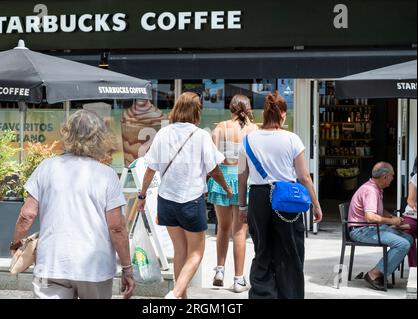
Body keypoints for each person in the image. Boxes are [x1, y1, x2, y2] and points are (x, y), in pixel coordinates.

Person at [10, 110, 134, 299]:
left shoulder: (47, 167)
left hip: (53, 264)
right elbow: (117, 227)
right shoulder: (106, 175)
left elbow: (27, 215)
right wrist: (127, 267)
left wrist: (16, 245)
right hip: (95, 269)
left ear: (66, 133)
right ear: (100, 138)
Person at [136, 92, 232, 299]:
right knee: (196, 253)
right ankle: (175, 293)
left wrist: (142, 196)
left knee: (180, 250)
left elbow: (150, 168)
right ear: (196, 110)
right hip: (191, 201)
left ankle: (182, 298)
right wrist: (226, 188)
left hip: (166, 201)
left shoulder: (163, 133)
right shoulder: (201, 136)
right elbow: (214, 169)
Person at [238, 91, 322, 299]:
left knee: (262, 250)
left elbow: (242, 176)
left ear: (264, 115)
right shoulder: (292, 139)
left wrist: (242, 206)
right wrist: (316, 204)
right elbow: (304, 177)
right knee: (290, 251)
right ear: (283, 114)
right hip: (287, 198)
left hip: (258, 197)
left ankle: (263, 295)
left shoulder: (248, 140)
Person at [208, 94, 258, 292]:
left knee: (222, 228)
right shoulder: (254, 130)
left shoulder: (220, 127)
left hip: (221, 180)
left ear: (231, 108)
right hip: (243, 180)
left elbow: (212, 160)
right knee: (240, 232)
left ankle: (219, 270)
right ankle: (238, 280)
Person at [348, 162, 413, 290]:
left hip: (369, 228)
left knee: (408, 239)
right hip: (361, 230)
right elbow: (370, 217)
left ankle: (381, 273)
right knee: (403, 244)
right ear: (384, 176)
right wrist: (391, 222)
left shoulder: (376, 188)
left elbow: (379, 211)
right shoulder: (371, 190)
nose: (393, 178)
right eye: (392, 175)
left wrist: (393, 219)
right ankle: (374, 274)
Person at [402, 169, 417, 267]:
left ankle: (397, 226)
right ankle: (414, 269)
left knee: (407, 227)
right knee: (408, 233)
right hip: (413, 214)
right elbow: (410, 200)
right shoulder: (416, 178)